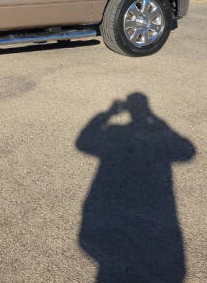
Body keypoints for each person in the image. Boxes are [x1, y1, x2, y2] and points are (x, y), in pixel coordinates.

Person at [76, 92, 196, 283]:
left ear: (127, 109)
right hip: (154, 223)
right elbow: (187, 150)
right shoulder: (160, 139)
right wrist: (158, 121)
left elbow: (83, 141)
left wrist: (108, 114)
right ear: (146, 109)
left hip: (117, 221)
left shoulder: (116, 135)